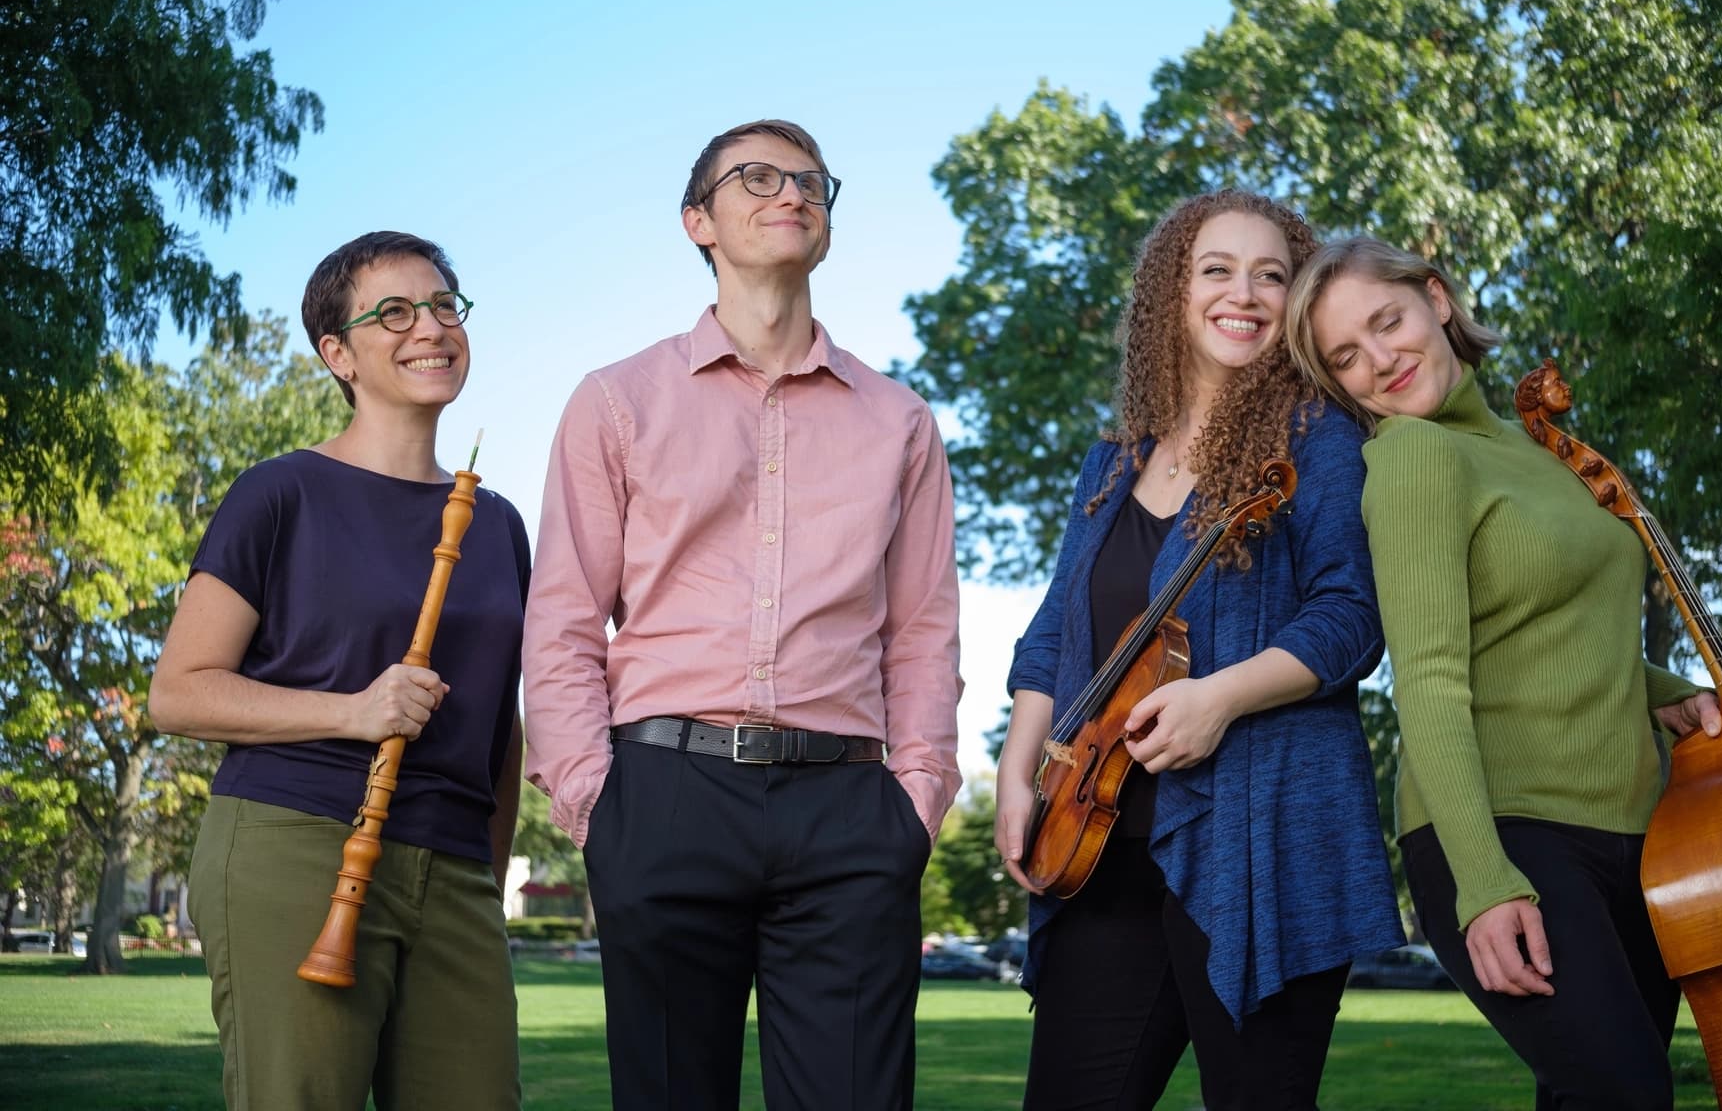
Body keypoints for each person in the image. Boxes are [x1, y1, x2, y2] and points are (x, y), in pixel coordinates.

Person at [522, 118, 962, 1110]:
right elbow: (563, 621)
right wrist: (595, 805)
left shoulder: (899, 420)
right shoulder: (615, 402)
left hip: (851, 811)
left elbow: (925, 631)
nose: (792, 192)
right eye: (757, 177)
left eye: (811, 182)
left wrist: (917, 799)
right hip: (663, 798)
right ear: (697, 222)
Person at [1285, 235, 1720, 1110]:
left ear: (1437, 301)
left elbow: (1559, 637)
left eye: (1388, 321)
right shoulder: (1413, 458)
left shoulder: (1552, 455)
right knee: (1623, 1096)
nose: (1381, 360)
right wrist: (1483, 881)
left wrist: (1673, 694)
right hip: (1505, 832)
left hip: (1643, 838)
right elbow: (1431, 679)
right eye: (1346, 357)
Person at [994, 191, 1402, 1111]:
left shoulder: (1321, 441)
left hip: (1265, 831)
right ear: (1173, 295)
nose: (1244, 292)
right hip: (1098, 839)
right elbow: (1054, 632)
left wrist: (1218, 699)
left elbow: (1350, 617)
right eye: (1217, 269)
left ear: (1293, 303)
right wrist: (1017, 775)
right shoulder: (1112, 463)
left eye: (1272, 275)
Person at [149, 231, 529, 1111]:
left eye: (442, 306)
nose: (429, 327)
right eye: (393, 313)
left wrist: (489, 874)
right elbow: (179, 690)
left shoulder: (499, 523)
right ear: (338, 353)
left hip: (456, 868)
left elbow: (495, 723)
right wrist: (354, 711)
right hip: (294, 839)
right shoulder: (279, 492)